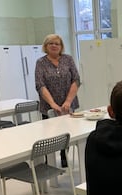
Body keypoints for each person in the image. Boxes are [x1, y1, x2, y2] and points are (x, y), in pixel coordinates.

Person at [35, 33, 80, 167]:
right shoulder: (41, 63)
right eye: (51, 43)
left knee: (66, 133)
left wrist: (67, 101)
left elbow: (76, 80)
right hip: (48, 105)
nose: (54, 46)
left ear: (61, 46)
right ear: (46, 46)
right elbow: (40, 85)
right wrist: (53, 104)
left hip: (68, 104)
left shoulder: (68, 59)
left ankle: (64, 157)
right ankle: (49, 162)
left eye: (57, 43)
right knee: (50, 135)